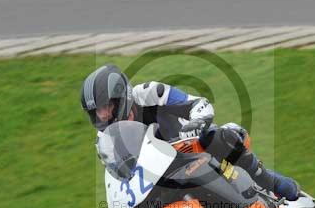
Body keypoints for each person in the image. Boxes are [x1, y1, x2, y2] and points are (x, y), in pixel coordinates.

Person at [80, 64, 300, 200]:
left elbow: (197, 104)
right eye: (98, 112)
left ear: (123, 97)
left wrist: (197, 122)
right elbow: (119, 172)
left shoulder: (149, 93)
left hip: (195, 146)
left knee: (220, 138)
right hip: (162, 174)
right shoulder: (105, 140)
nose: (104, 115)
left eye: (107, 107)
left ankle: (271, 182)